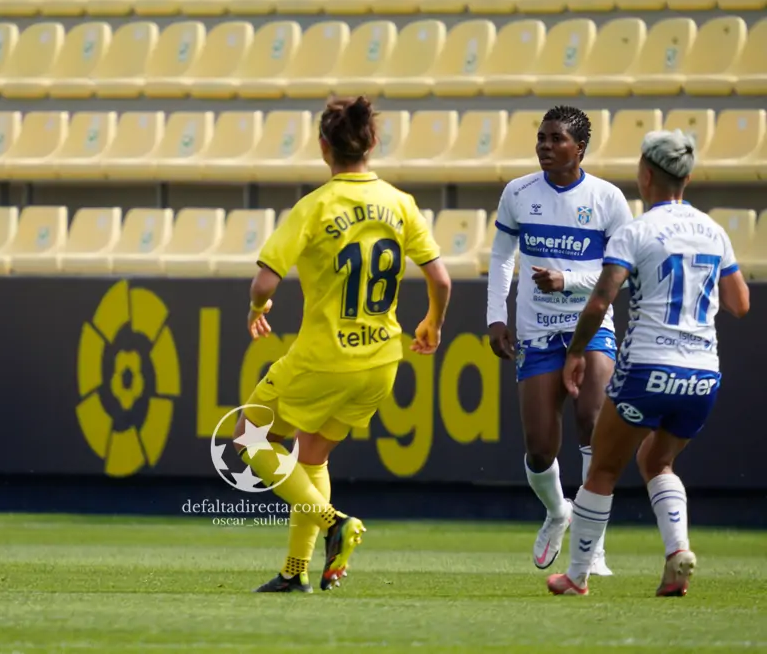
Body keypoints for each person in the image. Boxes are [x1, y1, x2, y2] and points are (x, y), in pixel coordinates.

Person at [237, 95, 453, 593]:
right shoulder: (400, 203)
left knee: (249, 438)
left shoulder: (315, 206)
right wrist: (433, 324)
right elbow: (440, 280)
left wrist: (256, 309)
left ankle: (333, 522)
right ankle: (295, 571)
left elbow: (264, 283)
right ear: (372, 143)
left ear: (323, 146)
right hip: (380, 361)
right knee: (312, 457)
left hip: (324, 357)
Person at [547, 130, 750, 597]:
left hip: (648, 367)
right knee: (657, 461)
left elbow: (601, 301)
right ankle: (677, 551)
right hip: (703, 373)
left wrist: (575, 351)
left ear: (645, 175)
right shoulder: (714, 231)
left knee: (603, 468)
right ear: (687, 178)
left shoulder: (635, 232)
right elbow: (739, 303)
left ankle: (576, 576)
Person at [487, 106, 634, 576]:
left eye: (556, 139)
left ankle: (593, 547)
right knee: (538, 450)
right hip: (536, 331)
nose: (545, 146)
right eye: (542, 138)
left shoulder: (608, 199)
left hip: (590, 327)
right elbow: (501, 256)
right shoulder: (518, 192)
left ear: (580, 148)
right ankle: (558, 512)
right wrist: (496, 316)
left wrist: (567, 280)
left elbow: (621, 274)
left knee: (593, 423)